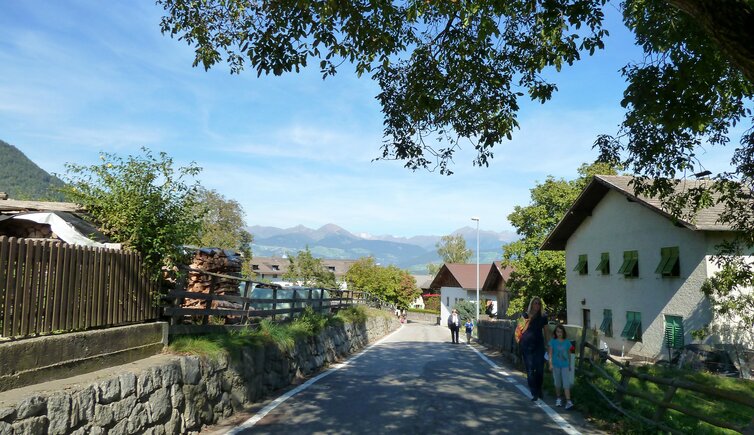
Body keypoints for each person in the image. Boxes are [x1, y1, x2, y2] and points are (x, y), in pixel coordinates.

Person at [520, 296, 549, 401]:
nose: (537, 305)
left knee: (540, 370)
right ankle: (534, 392)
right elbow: (520, 329)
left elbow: (546, 332)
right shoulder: (525, 315)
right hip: (526, 345)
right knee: (530, 370)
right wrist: (528, 319)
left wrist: (548, 345)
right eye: (535, 303)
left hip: (539, 345)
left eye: (538, 303)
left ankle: (539, 388)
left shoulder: (543, 316)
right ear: (531, 304)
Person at [548, 324, 574, 410]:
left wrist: (570, 365)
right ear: (555, 332)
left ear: (563, 333)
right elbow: (550, 354)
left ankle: (568, 401)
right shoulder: (552, 341)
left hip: (565, 365)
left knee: (566, 383)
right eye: (557, 331)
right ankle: (558, 398)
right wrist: (550, 364)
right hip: (555, 365)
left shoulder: (567, 342)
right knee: (557, 383)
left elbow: (569, 354)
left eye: (561, 332)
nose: (559, 333)